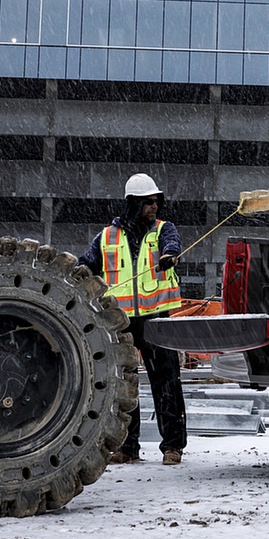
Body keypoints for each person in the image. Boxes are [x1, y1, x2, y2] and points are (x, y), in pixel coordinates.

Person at [80, 173, 189, 466]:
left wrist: (170, 255)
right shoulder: (106, 237)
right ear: (133, 204)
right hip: (120, 322)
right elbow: (86, 266)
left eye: (156, 202)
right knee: (124, 386)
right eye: (148, 202)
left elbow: (172, 243)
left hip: (156, 319)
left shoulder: (163, 230)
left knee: (167, 382)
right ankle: (128, 447)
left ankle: (173, 446)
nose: (155, 207)